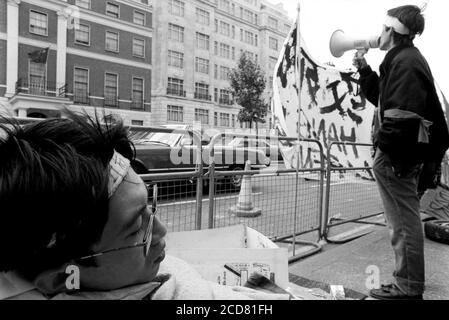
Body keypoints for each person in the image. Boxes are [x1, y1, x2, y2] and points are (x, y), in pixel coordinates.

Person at [0, 112, 291, 300]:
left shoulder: (117, 273)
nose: (163, 231)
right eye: (138, 229)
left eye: (149, 209)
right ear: (65, 277)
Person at [353, 5, 449, 300]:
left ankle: (408, 286)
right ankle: (407, 282)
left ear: (392, 31)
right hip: (402, 153)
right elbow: (383, 98)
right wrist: (364, 70)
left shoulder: (405, 62)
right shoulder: (403, 59)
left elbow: (402, 115)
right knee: (403, 219)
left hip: (398, 155)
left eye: (382, 29)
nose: (378, 34)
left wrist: (386, 152)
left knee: (403, 221)